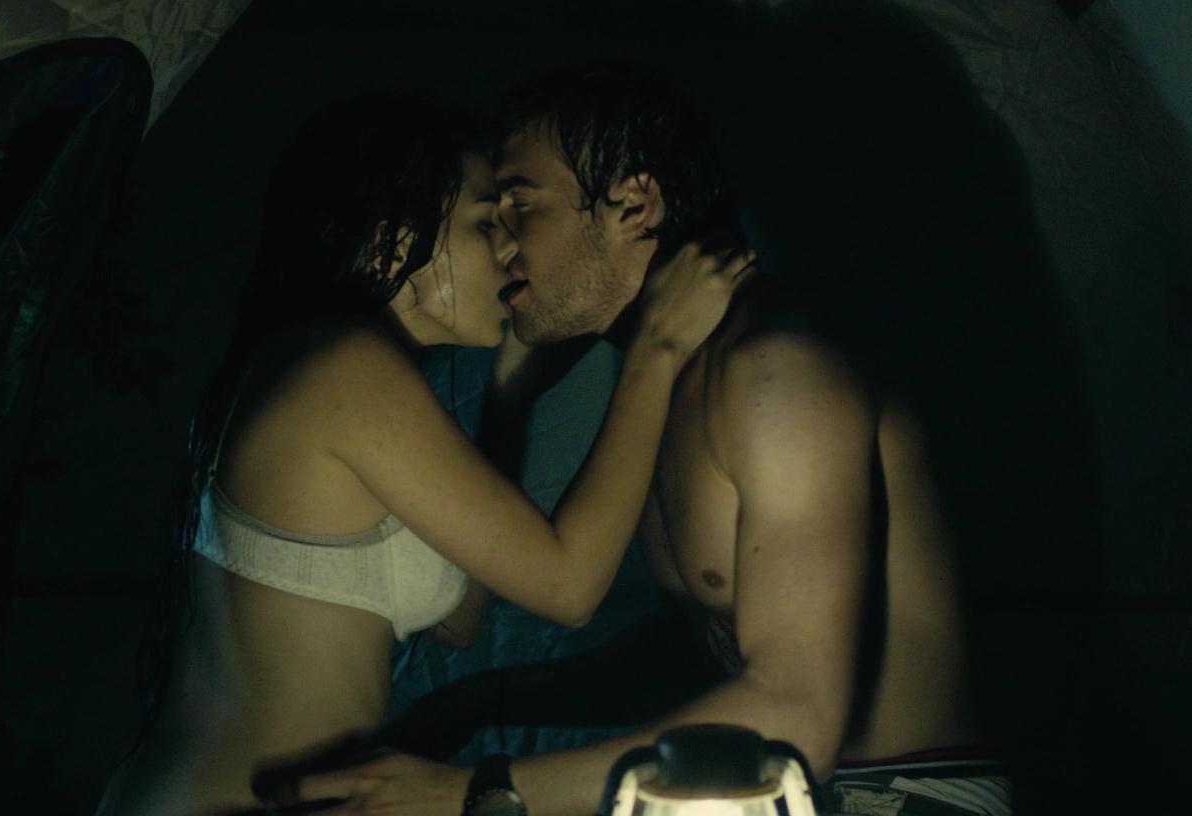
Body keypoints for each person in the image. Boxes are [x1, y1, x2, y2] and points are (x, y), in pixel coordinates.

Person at [273, 68, 1010, 816]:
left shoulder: (774, 371)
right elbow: (709, 649)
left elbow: (796, 719)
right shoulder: (676, 379)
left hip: (902, 795)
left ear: (634, 203)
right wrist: (484, 702)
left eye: (522, 206)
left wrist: (469, 790)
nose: (502, 246)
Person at [93, 92, 755, 816]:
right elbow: (569, 587)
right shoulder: (345, 370)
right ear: (390, 237)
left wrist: (508, 404)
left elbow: (456, 621)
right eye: (484, 222)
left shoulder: (339, 365)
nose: (510, 249)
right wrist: (658, 346)